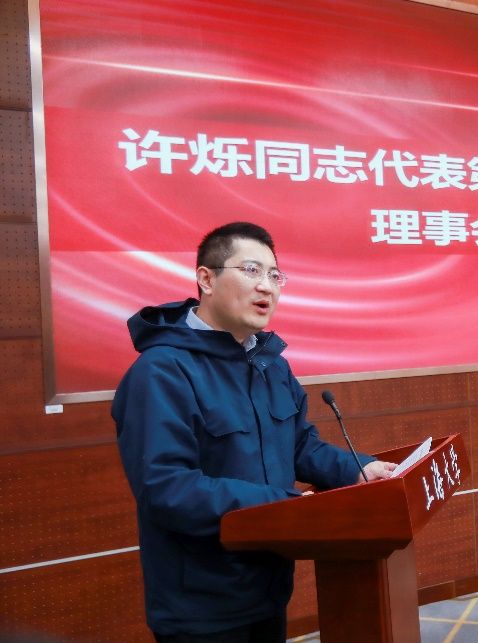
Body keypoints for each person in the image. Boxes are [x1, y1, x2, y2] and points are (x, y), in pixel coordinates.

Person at [112, 221, 396, 642]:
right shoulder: (161, 372)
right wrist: (284, 506)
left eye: (275, 275)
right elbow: (167, 488)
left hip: (267, 587)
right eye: (250, 270)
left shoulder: (270, 364)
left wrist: (358, 470)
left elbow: (298, 446)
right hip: (201, 605)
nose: (267, 287)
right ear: (206, 279)